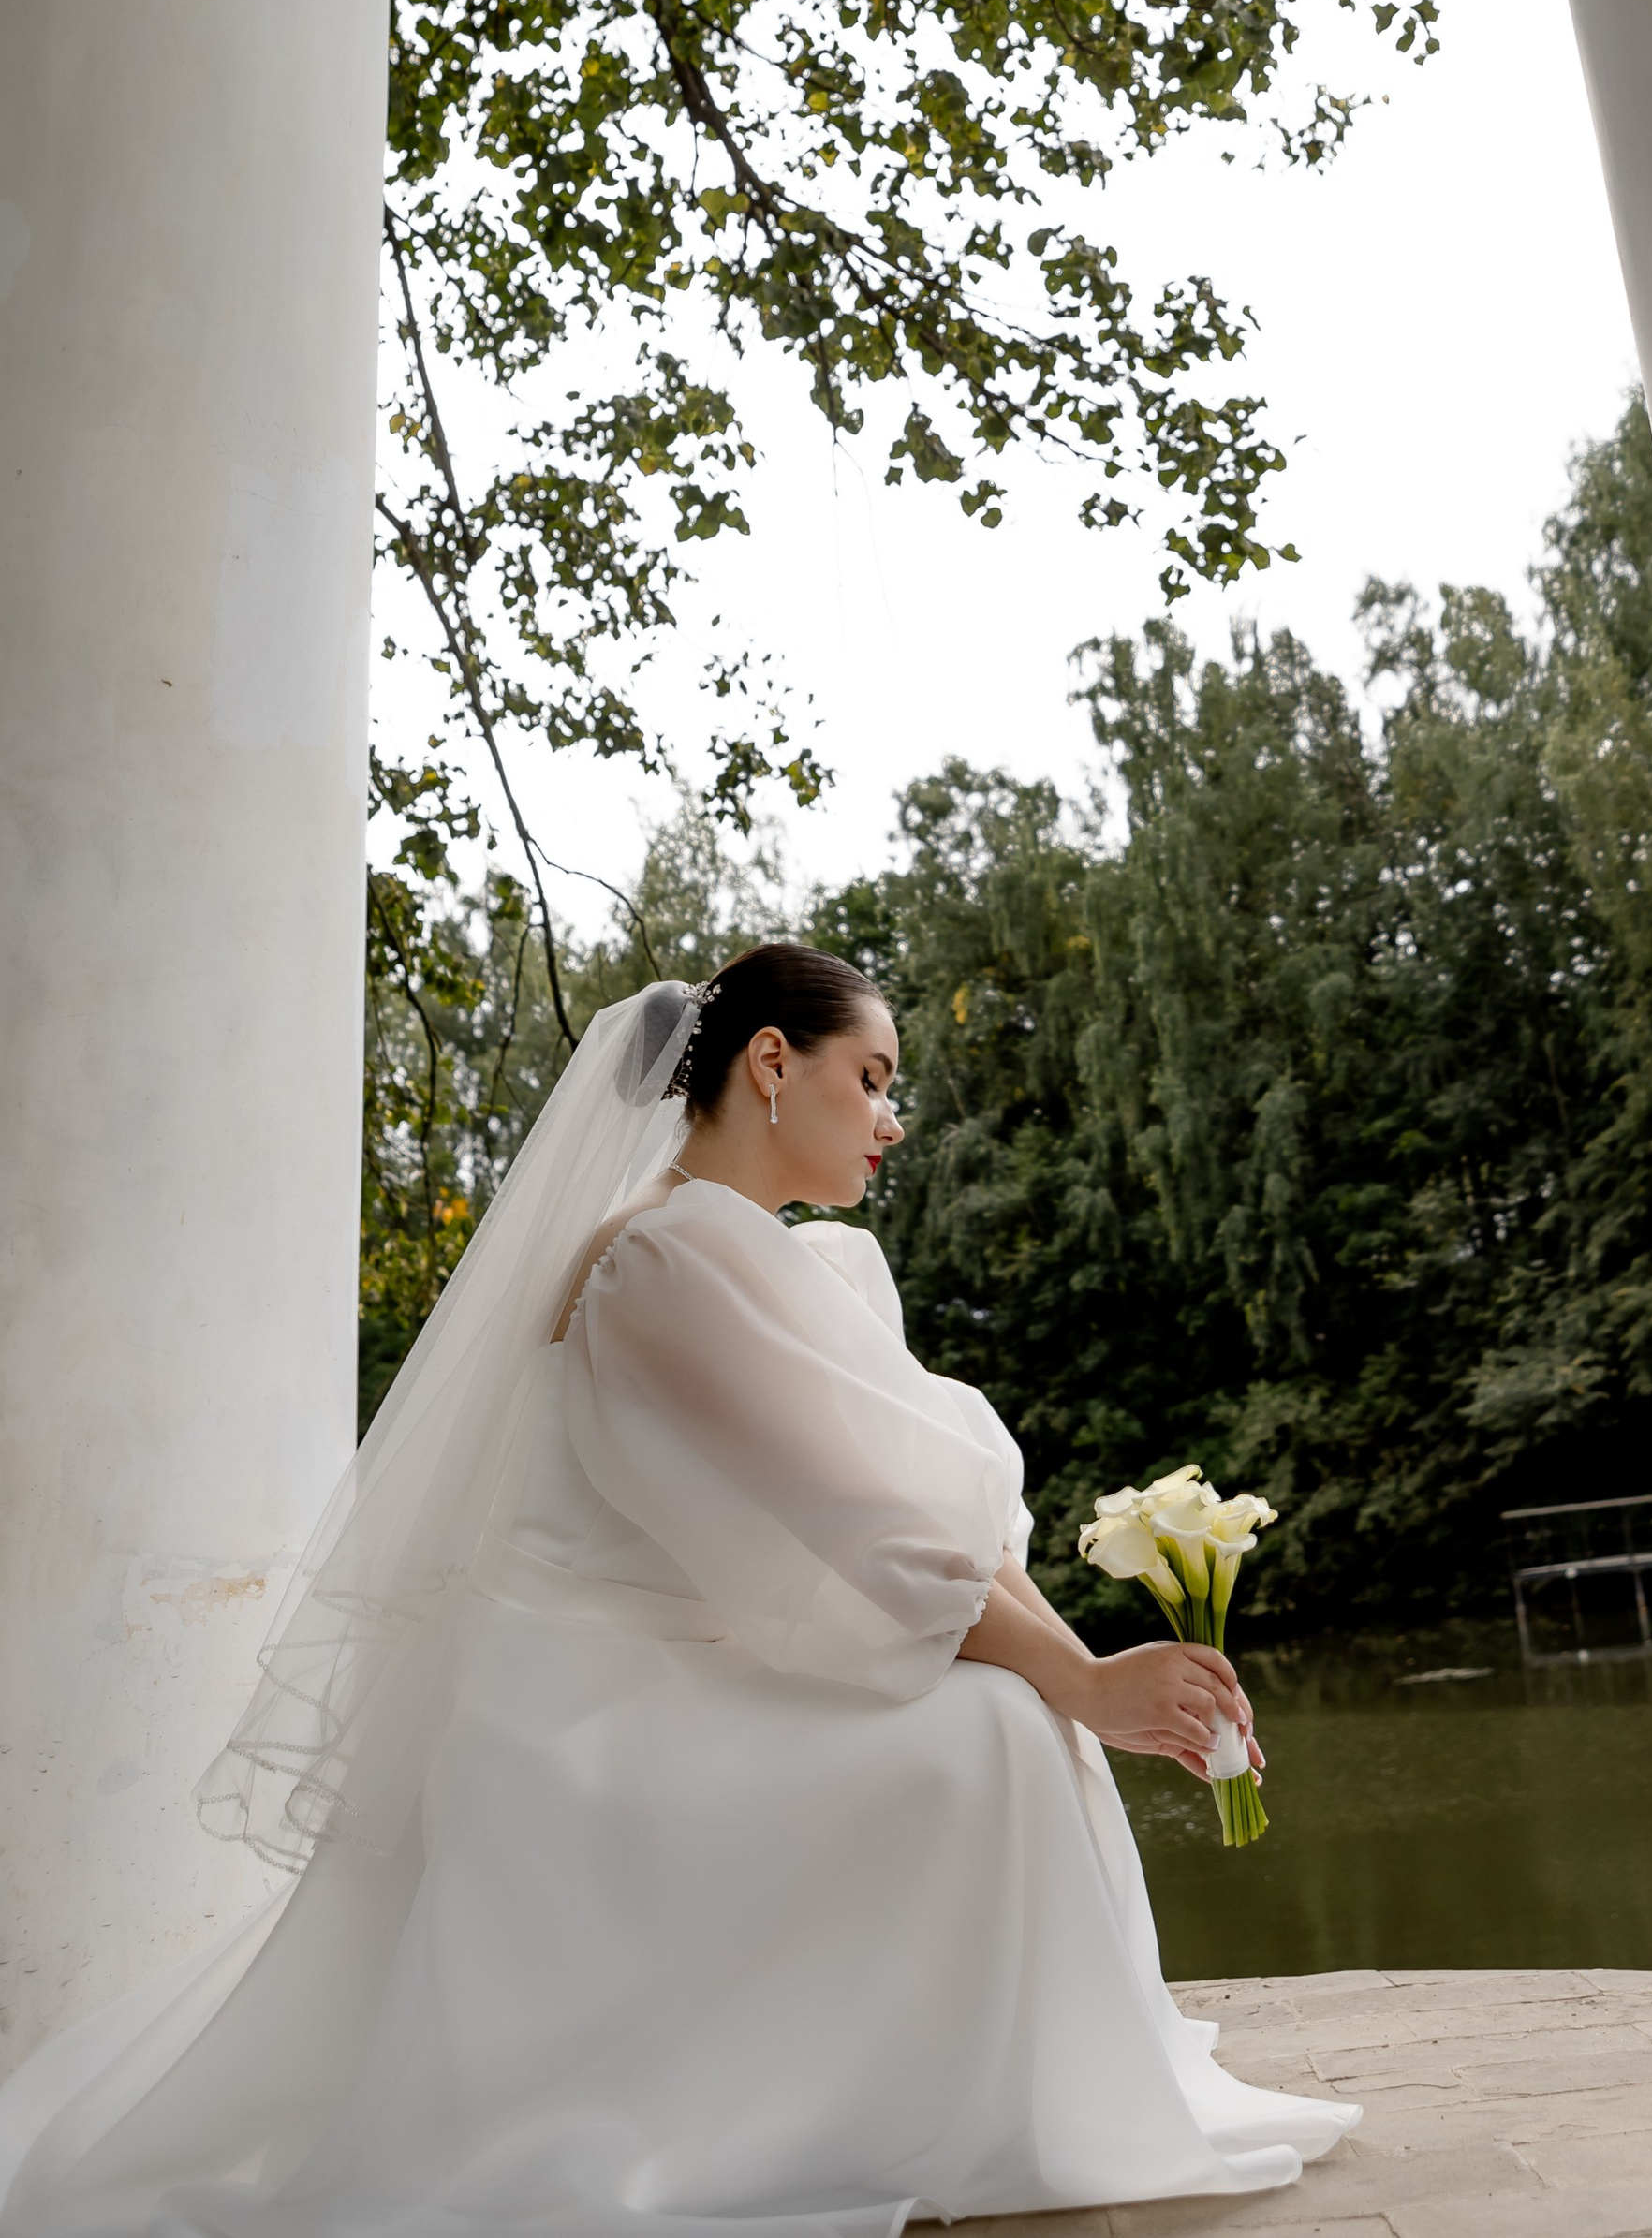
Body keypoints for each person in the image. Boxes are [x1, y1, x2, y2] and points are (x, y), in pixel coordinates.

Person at [0, 946, 1357, 2238]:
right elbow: (862, 1534)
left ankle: (952, 2087)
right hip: (594, 1717)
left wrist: (1097, 1674)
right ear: (773, 1061)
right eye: (872, 1076)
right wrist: (1075, 1681)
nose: (891, 1115)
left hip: (693, 1674)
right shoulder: (659, 1261)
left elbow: (932, 1524)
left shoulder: (787, 1258)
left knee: (1017, 1713)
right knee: (998, 1733)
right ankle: (907, 2105)